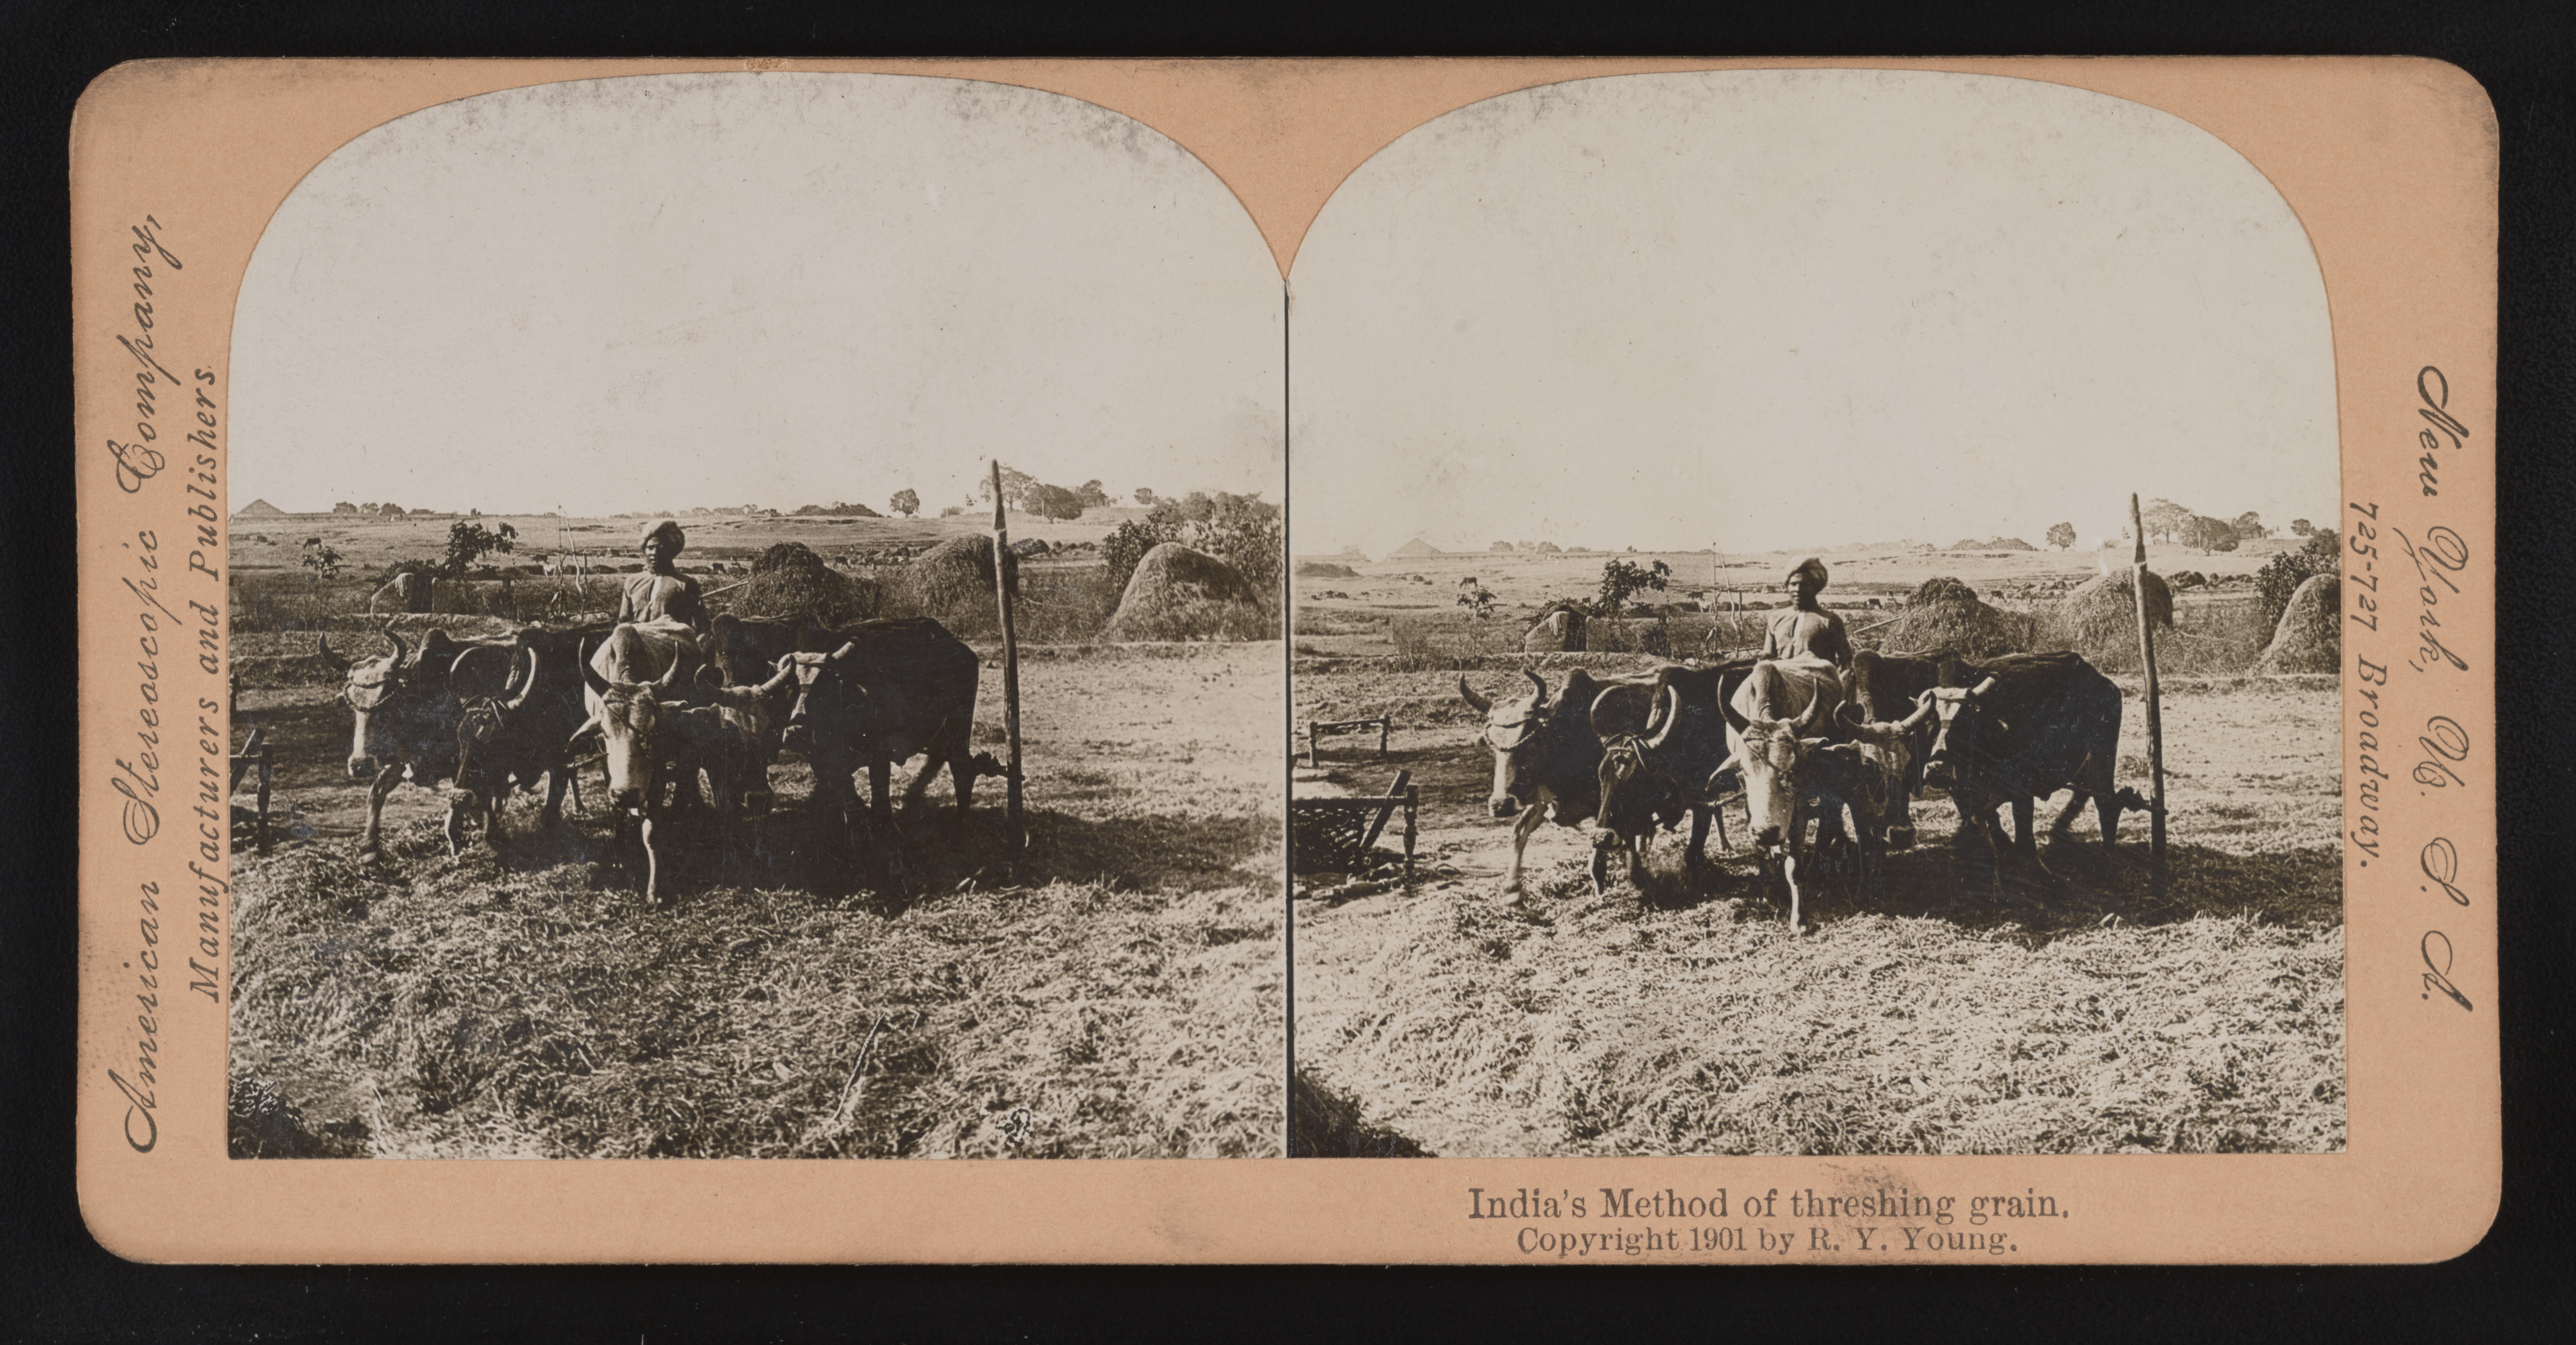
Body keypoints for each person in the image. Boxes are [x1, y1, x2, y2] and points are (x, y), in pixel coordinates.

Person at [617, 519, 708, 634]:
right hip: (638, 648)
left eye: (661, 548)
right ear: (644, 550)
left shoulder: (686, 584)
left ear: (672, 551)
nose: (655, 552)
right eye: (650, 548)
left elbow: (703, 626)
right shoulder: (632, 582)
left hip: (674, 648)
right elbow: (624, 622)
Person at [1757, 557, 1851, 668]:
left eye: (1804, 584)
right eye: (1793, 584)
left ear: (1815, 588)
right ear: (1787, 587)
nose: (1798, 589)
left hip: (1817, 683)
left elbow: (1847, 660)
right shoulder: (1776, 618)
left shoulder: (1829, 620)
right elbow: (1768, 658)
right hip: (1781, 682)